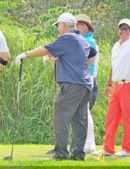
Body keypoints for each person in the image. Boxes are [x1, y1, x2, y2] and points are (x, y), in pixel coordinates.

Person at [15, 12, 97, 161]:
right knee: (79, 120)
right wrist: (81, 66)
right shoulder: (81, 39)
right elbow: (93, 53)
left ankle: (61, 153)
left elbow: (46, 49)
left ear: (64, 25)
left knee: (61, 117)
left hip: (71, 85)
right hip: (84, 85)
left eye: (58, 25)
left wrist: (25, 55)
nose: (58, 28)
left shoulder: (67, 37)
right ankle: (78, 154)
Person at [93, 18, 130, 157]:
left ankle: (127, 149)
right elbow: (113, 66)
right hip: (117, 87)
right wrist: (109, 84)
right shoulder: (116, 46)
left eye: (128, 29)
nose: (125, 31)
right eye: (122, 29)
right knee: (111, 117)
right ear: (118, 31)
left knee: (128, 118)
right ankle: (108, 148)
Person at [74, 13, 99, 153]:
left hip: (87, 79)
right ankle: (87, 144)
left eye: (80, 25)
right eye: (77, 24)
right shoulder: (82, 39)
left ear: (86, 27)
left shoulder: (88, 41)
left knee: (84, 112)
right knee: (82, 112)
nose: (77, 27)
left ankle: (89, 144)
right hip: (83, 79)